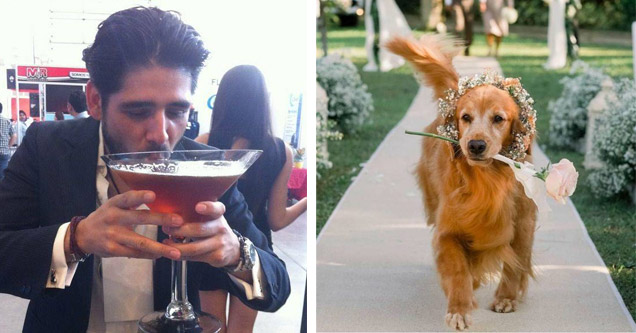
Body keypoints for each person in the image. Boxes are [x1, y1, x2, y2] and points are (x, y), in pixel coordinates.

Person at [0, 7, 290, 332]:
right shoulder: (45, 146)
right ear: (95, 100)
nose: (161, 133)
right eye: (138, 110)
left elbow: (278, 286)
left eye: (177, 111)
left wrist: (237, 253)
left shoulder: (204, 167)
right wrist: (74, 240)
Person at [195, 65, 307, 332]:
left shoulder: (204, 143)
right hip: (255, 252)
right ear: (262, 101)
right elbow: (277, 220)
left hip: (210, 245)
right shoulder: (280, 151)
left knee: (211, 328)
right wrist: (306, 203)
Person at [0, 102, 17, 180]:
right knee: (3, 175)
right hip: (4, 152)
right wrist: (8, 146)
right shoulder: (7, 121)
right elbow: (14, 136)